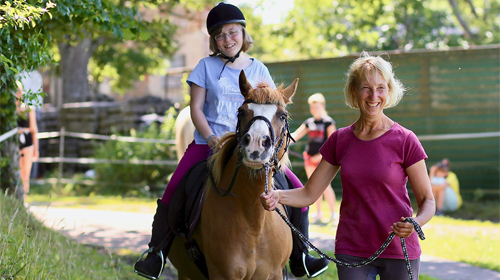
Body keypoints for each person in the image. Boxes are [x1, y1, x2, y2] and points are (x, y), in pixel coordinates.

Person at [134, 3, 329, 278]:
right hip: (208, 145)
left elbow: (271, 106)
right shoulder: (205, 66)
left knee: (297, 188)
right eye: (220, 35)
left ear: (242, 33)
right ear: (214, 40)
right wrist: (212, 138)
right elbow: (196, 109)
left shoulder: (259, 68)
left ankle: (302, 254)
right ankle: (157, 252)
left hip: (250, 146)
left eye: (232, 32)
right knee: (174, 187)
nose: (227, 39)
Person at [261, 52, 436, 280]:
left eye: (381, 88)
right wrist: (277, 196)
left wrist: (416, 222)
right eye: (366, 88)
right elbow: (309, 193)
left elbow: (428, 201)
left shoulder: (405, 140)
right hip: (352, 249)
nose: (374, 96)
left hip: (397, 249)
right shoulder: (340, 140)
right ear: (354, 90)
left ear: (389, 91)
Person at [291, 93, 338, 223]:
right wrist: (283, 140)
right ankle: (318, 213)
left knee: (325, 186)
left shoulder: (328, 122)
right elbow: (295, 135)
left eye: (317, 107)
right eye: (312, 107)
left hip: (323, 160)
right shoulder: (309, 123)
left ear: (322, 106)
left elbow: (332, 142)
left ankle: (333, 213)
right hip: (309, 159)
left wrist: (319, 156)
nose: (314, 109)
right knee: (313, 186)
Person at [15, 81, 39, 203]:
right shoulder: (12, 109)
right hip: (15, 142)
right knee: (16, 169)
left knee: (26, 171)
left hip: (27, 142)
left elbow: (34, 130)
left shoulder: (29, 108)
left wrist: (36, 149)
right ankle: (16, 198)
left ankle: (24, 199)